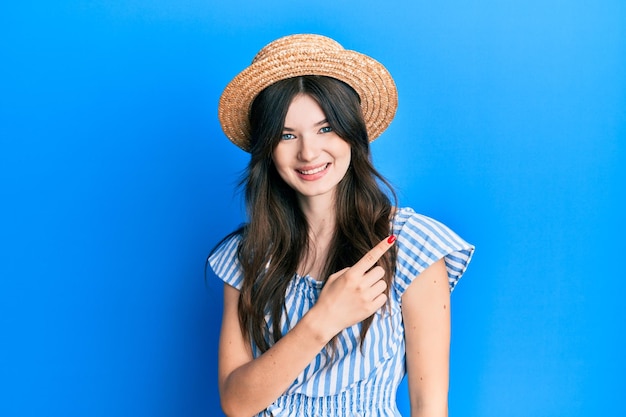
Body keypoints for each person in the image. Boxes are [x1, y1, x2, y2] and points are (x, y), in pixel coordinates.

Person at [208, 34, 474, 417]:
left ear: (352, 132)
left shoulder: (409, 244)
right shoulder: (247, 254)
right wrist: (323, 319)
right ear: (268, 148)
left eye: (325, 128)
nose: (308, 152)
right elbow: (236, 403)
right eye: (286, 135)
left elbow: (429, 405)